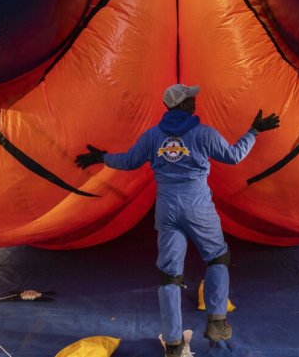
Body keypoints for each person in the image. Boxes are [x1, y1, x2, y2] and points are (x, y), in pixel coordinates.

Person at [75, 84, 279, 357]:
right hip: (197, 207)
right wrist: (254, 131)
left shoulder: (152, 136)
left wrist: (101, 157)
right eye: (191, 99)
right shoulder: (203, 133)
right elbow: (233, 156)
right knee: (217, 258)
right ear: (183, 105)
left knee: (170, 275)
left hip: (167, 209)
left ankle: (173, 344)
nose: (195, 102)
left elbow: (128, 161)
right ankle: (217, 321)